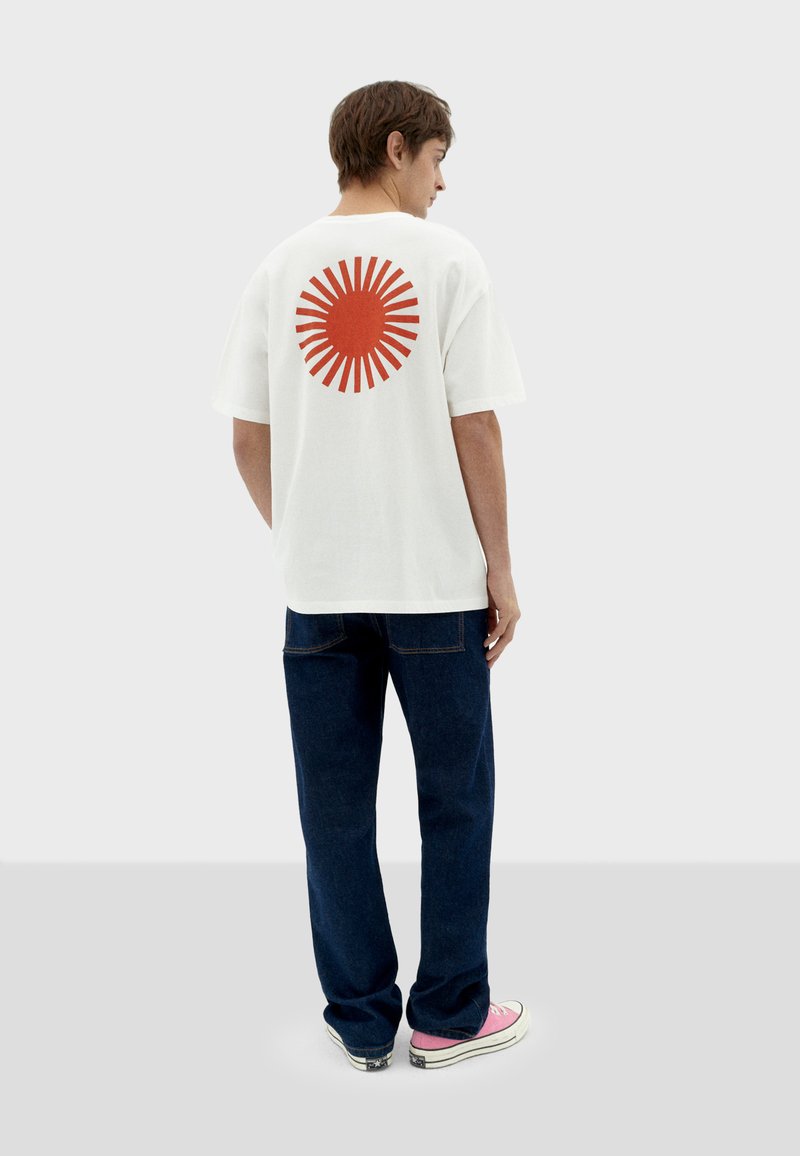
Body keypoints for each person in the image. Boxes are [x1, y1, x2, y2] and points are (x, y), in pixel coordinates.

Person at [211, 80, 530, 1071]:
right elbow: (476, 426)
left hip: (318, 595)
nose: (443, 182)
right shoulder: (448, 261)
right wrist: (501, 570)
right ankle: (447, 1015)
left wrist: (303, 535)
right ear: (397, 147)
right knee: (455, 802)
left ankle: (358, 1021)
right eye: (437, 159)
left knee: (333, 810)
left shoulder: (278, 267)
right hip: (434, 588)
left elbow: (246, 436)